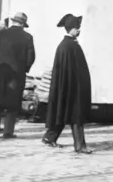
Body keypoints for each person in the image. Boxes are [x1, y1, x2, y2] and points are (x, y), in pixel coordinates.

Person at [42, 14, 93, 154]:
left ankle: (49, 137)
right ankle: (80, 146)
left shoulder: (67, 45)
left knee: (64, 113)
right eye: (77, 28)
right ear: (70, 29)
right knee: (77, 116)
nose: (79, 30)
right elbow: (72, 70)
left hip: (68, 87)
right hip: (73, 88)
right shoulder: (69, 46)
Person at [0, 12, 36, 139]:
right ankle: (8, 131)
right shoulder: (27, 37)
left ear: (13, 21)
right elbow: (31, 57)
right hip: (16, 75)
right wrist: (24, 69)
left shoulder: (0, 34)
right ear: (23, 24)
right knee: (12, 104)